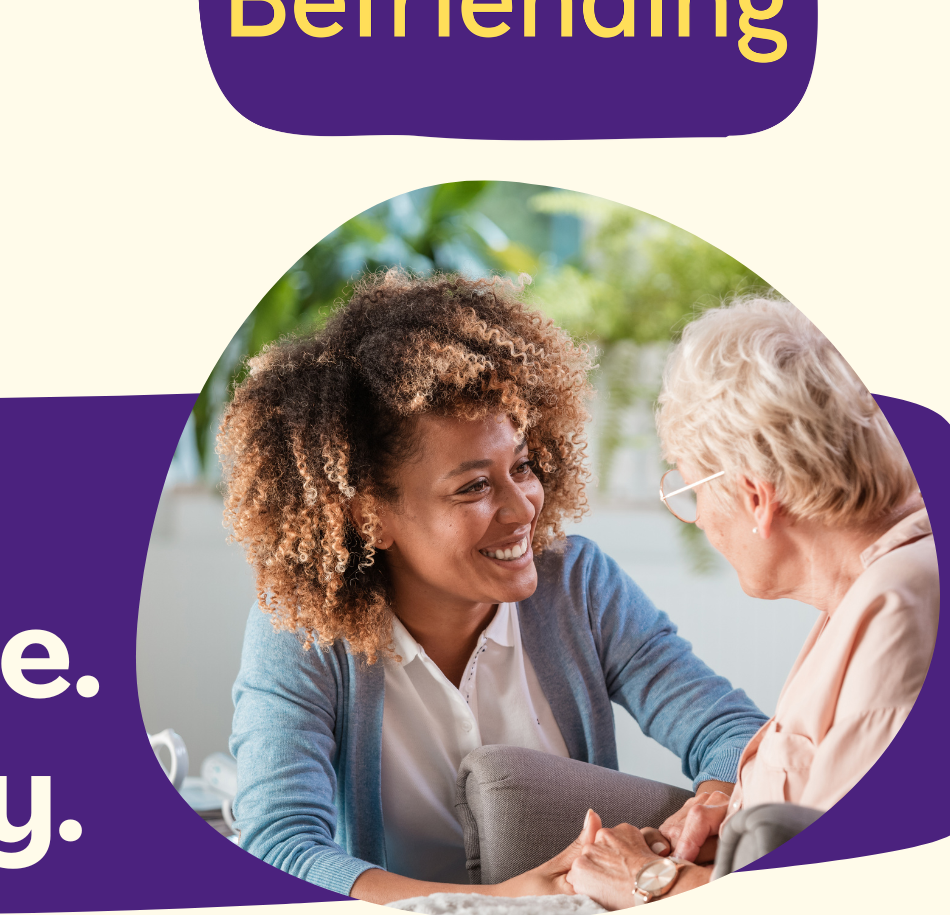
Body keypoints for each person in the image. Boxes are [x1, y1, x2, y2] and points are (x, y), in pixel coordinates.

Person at [221, 272, 768, 903]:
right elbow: (281, 848)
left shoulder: (579, 587)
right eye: (474, 487)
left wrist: (714, 800)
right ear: (370, 515)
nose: (523, 508)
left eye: (523, 467)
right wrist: (498, 903)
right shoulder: (301, 630)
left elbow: (731, 731)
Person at [563, 297, 934, 907]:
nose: (701, 521)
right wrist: (730, 815)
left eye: (691, 488)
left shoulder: (901, 610)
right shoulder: (864, 594)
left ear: (756, 497)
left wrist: (647, 880)